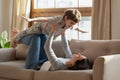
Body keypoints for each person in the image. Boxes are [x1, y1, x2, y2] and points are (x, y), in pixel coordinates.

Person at [10, 9, 87, 70]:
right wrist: (63, 34)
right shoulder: (70, 58)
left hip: (34, 65)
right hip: (44, 59)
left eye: (79, 57)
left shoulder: (59, 65)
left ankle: (16, 38)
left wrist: (52, 31)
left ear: (73, 64)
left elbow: (47, 48)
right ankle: (18, 36)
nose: (79, 54)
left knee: (35, 37)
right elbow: (65, 47)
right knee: (42, 36)